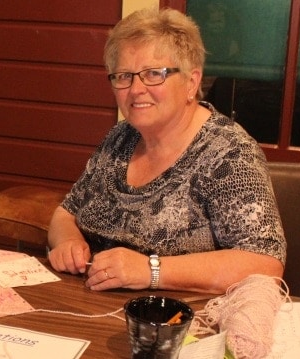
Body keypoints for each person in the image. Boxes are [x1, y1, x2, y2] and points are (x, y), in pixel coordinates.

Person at [46, 8, 286, 294]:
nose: (136, 89)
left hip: (178, 324)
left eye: (153, 74)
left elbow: (265, 265)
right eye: (123, 76)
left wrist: (151, 270)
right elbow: (65, 213)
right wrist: (68, 242)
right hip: (89, 305)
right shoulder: (120, 138)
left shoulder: (228, 153)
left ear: (192, 82)